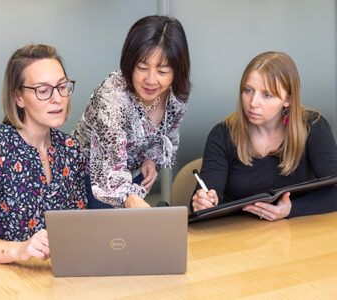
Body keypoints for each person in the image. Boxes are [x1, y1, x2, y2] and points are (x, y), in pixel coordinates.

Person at [0, 44, 87, 264]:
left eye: (62, 86)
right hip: (8, 284)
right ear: (19, 97)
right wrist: (19, 250)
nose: (58, 98)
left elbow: (79, 227)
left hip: (56, 277)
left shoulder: (71, 149)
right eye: (43, 90)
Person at [191, 51, 337, 221]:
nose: (253, 103)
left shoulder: (313, 127)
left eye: (266, 95)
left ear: (288, 99)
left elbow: (334, 191)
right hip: (240, 237)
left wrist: (291, 209)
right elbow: (202, 204)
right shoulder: (223, 134)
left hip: (299, 234)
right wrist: (202, 202)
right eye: (248, 90)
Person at [72, 15, 191, 208]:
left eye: (162, 72)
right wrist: (131, 199)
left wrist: (151, 160)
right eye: (142, 67)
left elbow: (167, 137)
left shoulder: (176, 95)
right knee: (102, 236)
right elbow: (109, 169)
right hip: (92, 178)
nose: (151, 80)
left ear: (177, 70)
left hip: (131, 176)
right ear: (129, 63)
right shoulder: (112, 97)